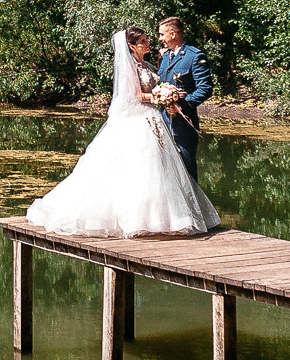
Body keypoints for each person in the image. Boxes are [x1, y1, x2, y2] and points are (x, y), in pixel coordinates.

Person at [25, 26, 219, 238]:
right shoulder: (130, 67)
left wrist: (170, 94)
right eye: (143, 41)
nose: (149, 43)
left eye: (148, 39)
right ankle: (135, 219)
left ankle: (162, 217)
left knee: (158, 169)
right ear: (132, 46)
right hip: (139, 120)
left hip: (154, 119)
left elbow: (164, 81)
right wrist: (159, 97)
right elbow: (133, 95)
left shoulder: (151, 63)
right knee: (140, 167)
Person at [154, 16, 213, 180]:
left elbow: (205, 88)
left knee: (187, 170)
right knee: (166, 170)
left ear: (173, 34)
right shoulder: (165, 56)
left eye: (162, 35)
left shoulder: (194, 56)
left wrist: (182, 105)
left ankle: (192, 205)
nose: (160, 39)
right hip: (164, 122)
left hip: (185, 124)